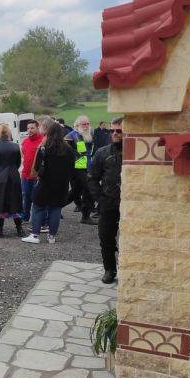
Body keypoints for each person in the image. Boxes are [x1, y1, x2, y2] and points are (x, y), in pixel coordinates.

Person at [22, 123, 75, 244]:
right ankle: (51, 236)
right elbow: (72, 167)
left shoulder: (44, 148)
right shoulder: (68, 149)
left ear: (48, 133)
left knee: (38, 207)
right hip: (61, 184)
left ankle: (35, 235)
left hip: (45, 182)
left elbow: (36, 167)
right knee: (55, 209)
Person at [88, 118, 123, 284]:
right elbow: (92, 178)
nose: (115, 134)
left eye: (119, 131)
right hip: (108, 202)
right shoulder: (102, 153)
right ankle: (109, 269)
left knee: (128, 239)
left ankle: (126, 267)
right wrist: (100, 199)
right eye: (112, 131)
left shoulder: (134, 153)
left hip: (130, 205)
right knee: (106, 237)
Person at [0, 124, 24, 237]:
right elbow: (18, 163)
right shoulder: (15, 146)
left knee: (1, 203)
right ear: (9, 133)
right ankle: (19, 229)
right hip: (14, 176)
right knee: (16, 202)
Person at [65, 115, 96, 225]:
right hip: (76, 169)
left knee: (74, 192)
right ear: (77, 125)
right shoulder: (70, 136)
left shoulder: (89, 135)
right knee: (89, 190)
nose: (87, 126)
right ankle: (86, 216)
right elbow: (66, 154)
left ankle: (55, 206)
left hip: (87, 167)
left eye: (88, 123)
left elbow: (89, 152)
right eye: (84, 124)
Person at [20, 120, 44, 220]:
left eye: (32, 128)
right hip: (25, 175)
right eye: (28, 128)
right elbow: (23, 157)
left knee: (38, 198)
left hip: (37, 176)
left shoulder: (43, 141)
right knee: (26, 197)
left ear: (38, 128)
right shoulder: (25, 141)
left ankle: (39, 219)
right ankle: (25, 217)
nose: (29, 130)